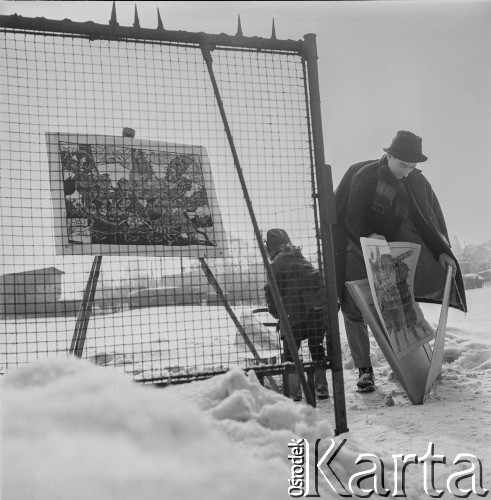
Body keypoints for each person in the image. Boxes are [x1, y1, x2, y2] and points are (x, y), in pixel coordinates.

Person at [334, 130, 467, 392]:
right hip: (358, 247)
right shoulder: (366, 176)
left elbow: (422, 221)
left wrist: (440, 250)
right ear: (389, 156)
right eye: (403, 165)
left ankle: (408, 364)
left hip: (390, 250)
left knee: (395, 304)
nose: (407, 171)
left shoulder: (412, 182)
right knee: (354, 309)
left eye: (412, 166)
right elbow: (351, 219)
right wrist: (369, 235)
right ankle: (364, 371)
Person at [263, 228, 329, 400]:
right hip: (316, 312)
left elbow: (272, 293)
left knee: (290, 353)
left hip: (294, 315)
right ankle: (321, 387)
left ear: (270, 247)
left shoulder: (275, 265)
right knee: (317, 348)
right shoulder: (303, 259)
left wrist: (276, 314)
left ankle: (294, 391)